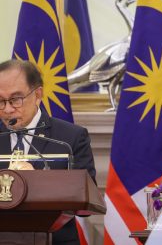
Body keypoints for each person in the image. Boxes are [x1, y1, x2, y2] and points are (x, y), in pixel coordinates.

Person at [0, 59, 96, 245]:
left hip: (55, 240)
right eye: (0, 101)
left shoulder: (70, 138)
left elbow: (87, 196)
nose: (7, 109)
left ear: (38, 94)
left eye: (15, 99)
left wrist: (37, 182)